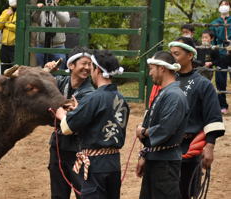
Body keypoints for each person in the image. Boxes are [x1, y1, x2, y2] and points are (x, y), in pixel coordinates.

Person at [55, 50, 129, 199]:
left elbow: (67, 128)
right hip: (114, 163)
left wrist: (62, 114)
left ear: (98, 70)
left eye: (92, 67)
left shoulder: (94, 98)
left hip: (96, 164)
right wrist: (80, 111)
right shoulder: (122, 99)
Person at [169, 37, 225, 199]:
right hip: (165, 148)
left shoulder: (203, 84)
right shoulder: (167, 80)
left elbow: (213, 117)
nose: (173, 58)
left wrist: (209, 145)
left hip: (189, 148)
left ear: (190, 56)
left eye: (177, 54)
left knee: (185, 193)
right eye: (171, 54)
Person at [136, 51, 189, 199]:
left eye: (152, 68)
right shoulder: (165, 92)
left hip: (166, 163)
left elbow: (166, 129)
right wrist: (145, 155)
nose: (150, 73)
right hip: (156, 159)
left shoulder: (174, 95)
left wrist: (144, 131)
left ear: (162, 68)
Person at [43, 46, 94, 199]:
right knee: (58, 193)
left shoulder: (90, 92)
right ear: (71, 65)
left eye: (90, 64)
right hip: (58, 146)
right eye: (83, 63)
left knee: (82, 192)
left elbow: (76, 121)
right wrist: (46, 71)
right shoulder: (60, 83)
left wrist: (60, 111)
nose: (87, 68)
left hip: (78, 149)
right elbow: (40, 90)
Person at [34, 0, 70, 69]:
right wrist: (37, 10)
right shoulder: (42, 10)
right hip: (42, 46)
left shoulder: (62, 10)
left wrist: (54, 10)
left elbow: (66, 19)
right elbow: (34, 19)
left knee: (59, 72)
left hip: (58, 47)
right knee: (40, 71)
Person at [210, 0, 231, 114]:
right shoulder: (214, 23)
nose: (224, 6)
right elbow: (212, 39)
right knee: (220, 81)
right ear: (219, 7)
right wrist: (215, 50)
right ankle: (222, 106)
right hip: (220, 54)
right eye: (222, 4)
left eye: (227, 4)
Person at [0, 0, 17, 74]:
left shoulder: (21, 12)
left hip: (15, 46)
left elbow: (18, 28)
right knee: (4, 69)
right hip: (4, 46)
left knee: (14, 70)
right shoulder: (5, 11)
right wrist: (7, 15)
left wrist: (6, 24)